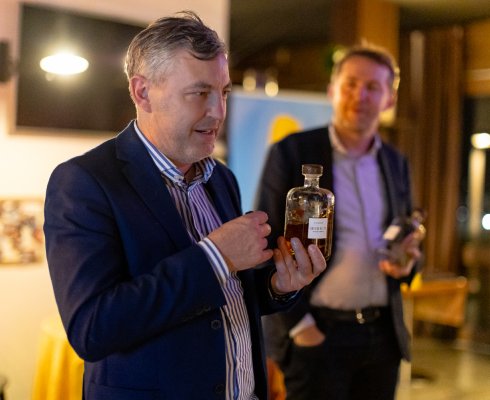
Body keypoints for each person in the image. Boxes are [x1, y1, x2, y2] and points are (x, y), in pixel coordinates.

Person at [43, 11, 326, 400]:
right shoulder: (84, 182)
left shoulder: (221, 178)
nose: (218, 112)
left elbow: (224, 301)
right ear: (142, 92)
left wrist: (277, 286)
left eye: (223, 92)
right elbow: (93, 329)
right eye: (199, 93)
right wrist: (216, 257)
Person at [256, 44, 422, 400]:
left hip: (382, 336)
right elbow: (266, 242)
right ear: (332, 90)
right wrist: (301, 327)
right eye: (351, 84)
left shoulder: (396, 162)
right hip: (318, 334)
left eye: (373, 87)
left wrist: (406, 261)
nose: (360, 95)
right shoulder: (293, 151)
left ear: (389, 99)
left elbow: (405, 231)